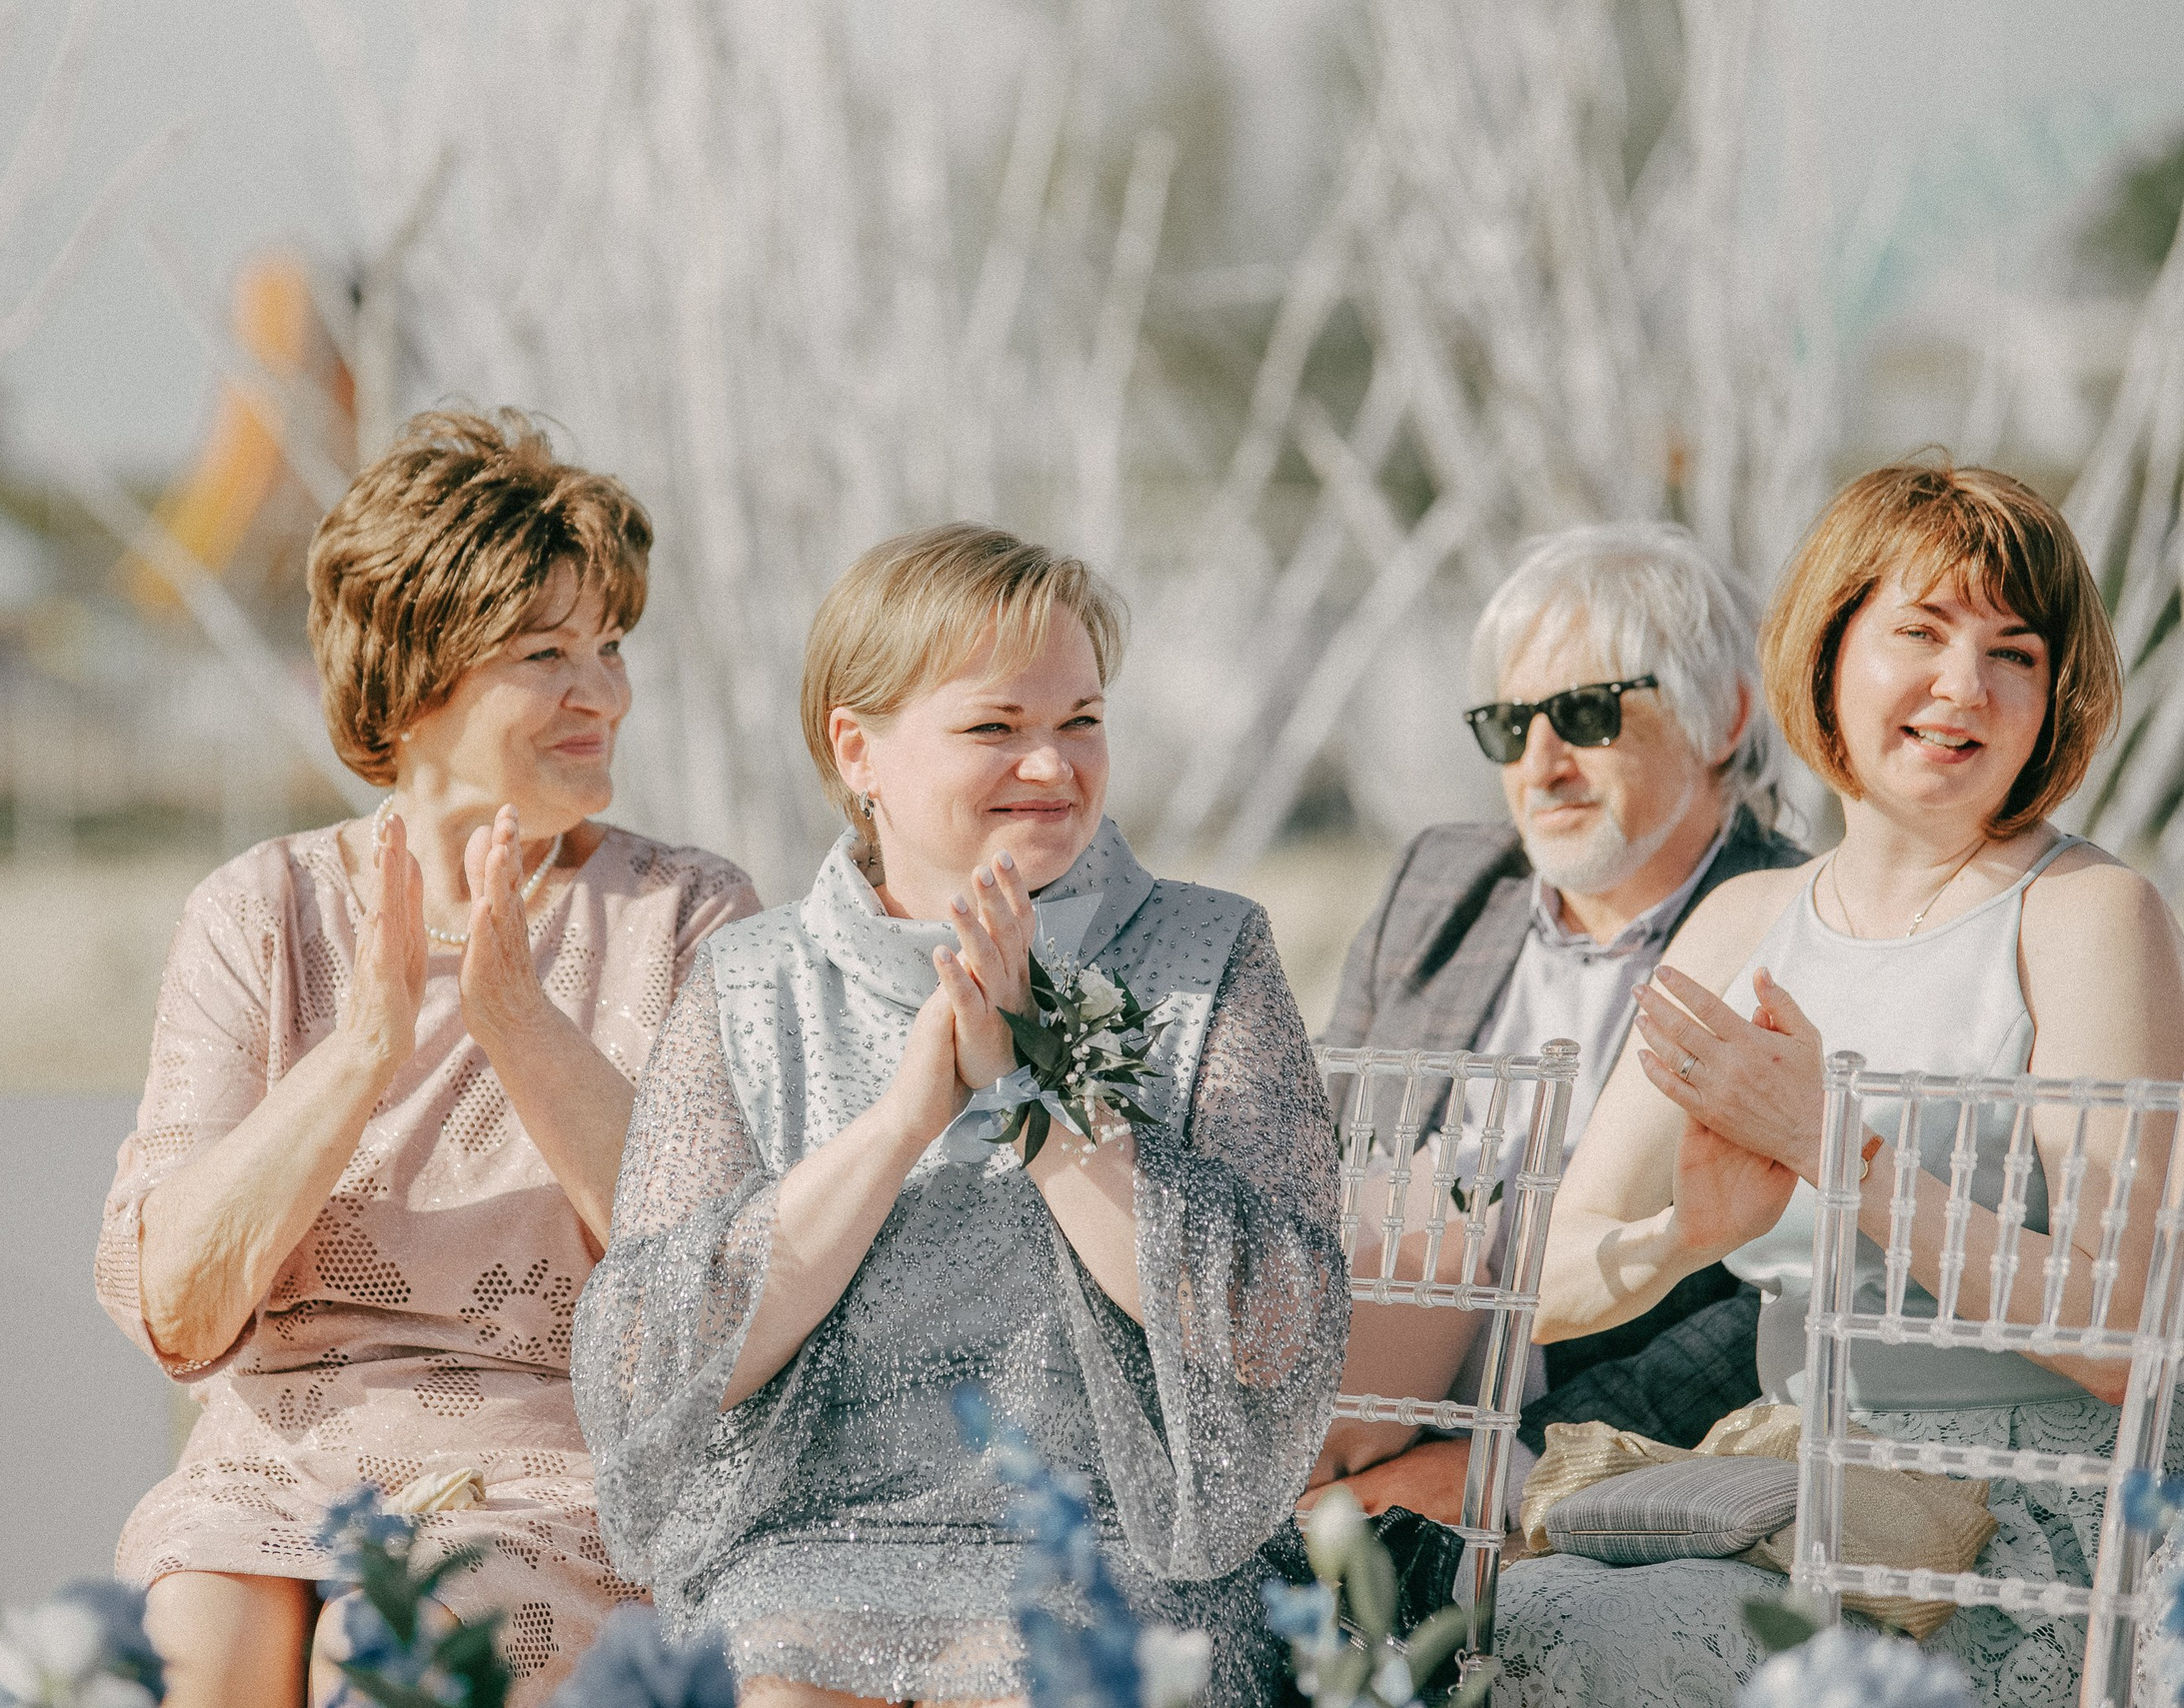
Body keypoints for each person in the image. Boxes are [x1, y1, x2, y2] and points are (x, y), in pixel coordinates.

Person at [571, 524, 1350, 1705]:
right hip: (804, 1545)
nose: (1052, 765)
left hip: (1117, 1553)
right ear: (858, 748)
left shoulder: (1207, 951)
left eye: (1081, 720)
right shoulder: (749, 980)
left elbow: (1273, 1325)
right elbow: (651, 1363)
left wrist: (1049, 1091)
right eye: (996, 727)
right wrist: (900, 1118)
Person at [93, 410, 760, 1708]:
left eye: (611, 646)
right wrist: (360, 1054)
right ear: (411, 679)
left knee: (388, 1651)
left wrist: (519, 1019)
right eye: (545, 652)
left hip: (549, 1477)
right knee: (200, 1652)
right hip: (267, 1474)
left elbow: (711, 1290)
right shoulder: (260, 911)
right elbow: (177, 1306)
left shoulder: (685, 914)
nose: (603, 692)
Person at [1497, 459, 2184, 1706]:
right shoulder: (1739, 921)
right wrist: (1684, 1233)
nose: (1962, 687)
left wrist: (1839, 1148)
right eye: (1918, 632)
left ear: (2053, 691)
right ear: (1826, 652)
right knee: (1518, 1608)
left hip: (2021, 1520)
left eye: (2013, 651)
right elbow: (1539, 1281)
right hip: (1786, 1481)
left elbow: (2122, 1334)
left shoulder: (2089, 914)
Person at [1314, 524, 1807, 1514]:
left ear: (1724, 719)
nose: (1540, 763)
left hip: (1595, 1466)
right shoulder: (1439, 885)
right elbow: (1312, 1164)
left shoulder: (1803, 928)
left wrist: (1509, 1464)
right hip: (1340, 1430)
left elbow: (1775, 1302)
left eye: (1584, 712)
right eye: (1507, 724)